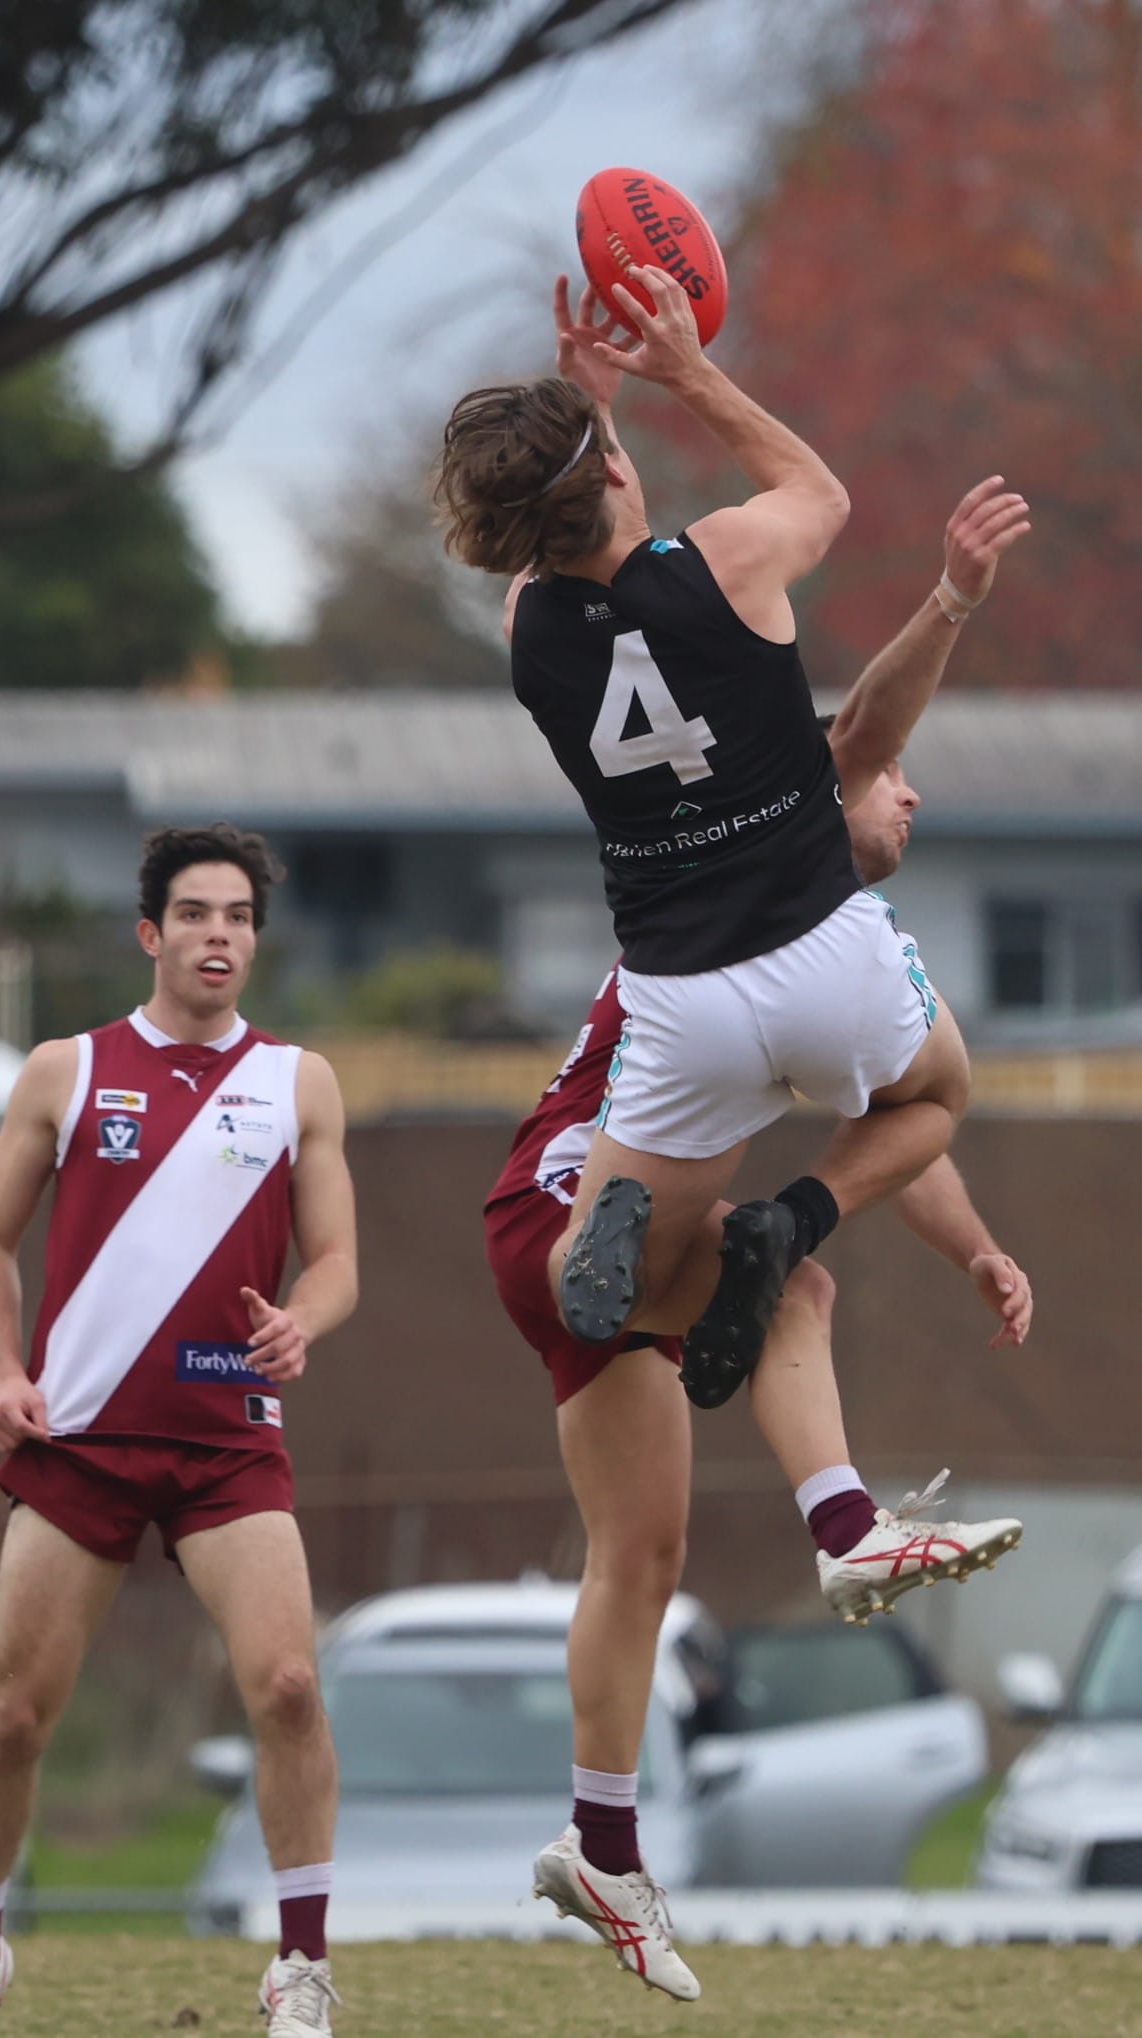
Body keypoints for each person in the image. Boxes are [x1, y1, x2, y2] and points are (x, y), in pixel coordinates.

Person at [484, 479, 1030, 2000]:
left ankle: (601, 1846)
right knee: (780, 1264)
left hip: (566, 1225)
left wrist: (974, 1250)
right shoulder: (773, 913)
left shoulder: (800, 940)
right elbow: (906, 1101)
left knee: (642, 1552)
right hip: (577, 1200)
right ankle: (843, 1526)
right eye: (893, 782)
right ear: (822, 787)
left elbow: (895, 1134)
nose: (907, 801)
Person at [437, 268, 1031, 1411]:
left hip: (681, 998)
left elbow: (557, 542)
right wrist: (684, 371)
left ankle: (633, 1235)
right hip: (824, 948)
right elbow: (820, 492)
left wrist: (587, 412)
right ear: (615, 472)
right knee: (930, 1100)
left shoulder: (529, 632)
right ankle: (793, 1222)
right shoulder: (726, 560)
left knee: (604, 1282)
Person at [0, 825, 357, 2038]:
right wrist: (4, 1373)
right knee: (14, 1718)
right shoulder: (66, 1070)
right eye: (197, 913)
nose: (221, 934)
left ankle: (301, 1968)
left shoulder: (298, 1081)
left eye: (240, 916)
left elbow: (336, 1261)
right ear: (150, 933)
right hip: (81, 1443)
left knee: (288, 1686)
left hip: (229, 1441)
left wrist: (304, 1321)